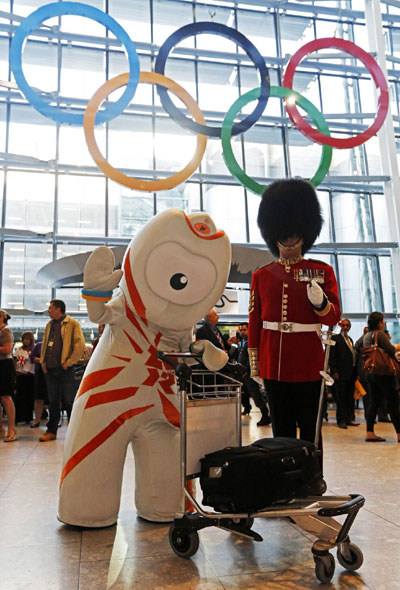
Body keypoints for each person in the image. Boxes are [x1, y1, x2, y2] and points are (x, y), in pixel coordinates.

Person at [248, 179, 341, 455]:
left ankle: (313, 478)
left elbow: (333, 318)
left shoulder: (321, 272)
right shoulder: (261, 275)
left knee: (311, 430)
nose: (289, 238)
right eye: (283, 233)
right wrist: (256, 366)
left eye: (294, 232)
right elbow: (255, 323)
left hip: (309, 364)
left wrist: (321, 303)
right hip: (274, 364)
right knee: (282, 433)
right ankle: (286, 482)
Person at [39, 299, 85, 442]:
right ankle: (51, 431)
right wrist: (43, 362)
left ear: (59, 309)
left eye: (51, 308)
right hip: (50, 369)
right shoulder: (49, 325)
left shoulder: (72, 324)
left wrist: (69, 362)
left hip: (65, 369)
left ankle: (75, 434)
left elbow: (80, 345)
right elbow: (45, 344)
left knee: (69, 401)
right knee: (53, 401)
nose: (48, 310)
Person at [363, 311, 400, 442]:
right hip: (383, 372)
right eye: (382, 321)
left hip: (371, 372)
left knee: (374, 402)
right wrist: (393, 347)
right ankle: (399, 433)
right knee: (393, 402)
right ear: (379, 322)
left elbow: (359, 348)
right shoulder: (380, 334)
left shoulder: (367, 335)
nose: (383, 323)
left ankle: (369, 432)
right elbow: (391, 350)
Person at [237, 323, 271, 426]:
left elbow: (252, 357)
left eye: (244, 330)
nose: (242, 332)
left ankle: (265, 416)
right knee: (246, 394)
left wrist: (246, 369)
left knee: (257, 396)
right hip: (244, 374)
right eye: (241, 330)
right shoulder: (243, 341)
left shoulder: (252, 341)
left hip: (250, 373)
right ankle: (248, 408)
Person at [329, 319, 359, 429]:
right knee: (340, 398)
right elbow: (332, 357)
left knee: (349, 398)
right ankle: (341, 420)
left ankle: (349, 418)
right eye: (344, 325)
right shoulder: (335, 338)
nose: (346, 327)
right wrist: (334, 371)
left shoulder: (350, 339)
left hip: (351, 373)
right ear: (340, 326)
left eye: (348, 325)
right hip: (340, 373)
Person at [0, 309, 18, 442]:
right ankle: (1, 428)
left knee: (6, 397)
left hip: (5, 365)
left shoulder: (6, 332)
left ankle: (11, 428)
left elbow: (7, 349)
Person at [14, 330, 35, 425]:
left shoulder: (34, 350)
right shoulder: (19, 350)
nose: (25, 341)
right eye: (24, 339)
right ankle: (20, 418)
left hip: (31, 375)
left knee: (30, 396)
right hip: (21, 375)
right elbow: (15, 361)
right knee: (20, 396)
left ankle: (29, 417)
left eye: (27, 339)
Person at [29, 341, 48, 428]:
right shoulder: (39, 345)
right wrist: (41, 360)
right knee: (39, 397)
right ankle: (37, 420)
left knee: (54, 398)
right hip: (40, 373)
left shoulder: (58, 344)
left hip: (53, 372)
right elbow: (32, 357)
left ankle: (54, 420)